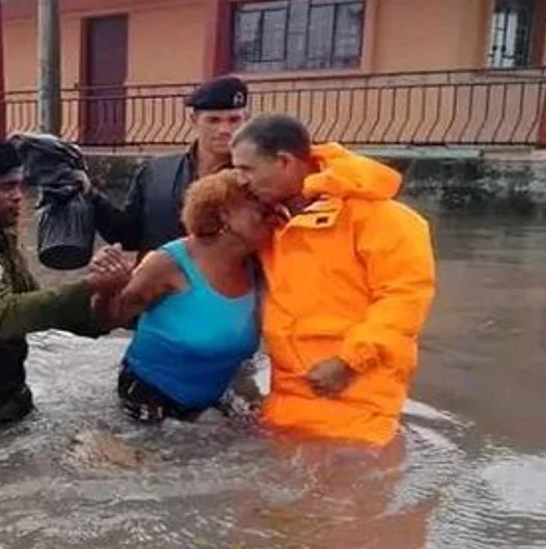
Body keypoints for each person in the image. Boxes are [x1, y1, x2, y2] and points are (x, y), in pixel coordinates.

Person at [230, 114, 436, 447]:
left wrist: (347, 363)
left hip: (355, 398)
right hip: (286, 398)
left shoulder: (385, 219)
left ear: (284, 162)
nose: (239, 180)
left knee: (350, 491)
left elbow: (404, 301)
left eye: (246, 169)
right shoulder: (270, 219)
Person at [0, 140, 131, 434]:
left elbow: (34, 302)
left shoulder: (0, 235)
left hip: (8, 394)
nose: (18, 197)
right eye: (6, 187)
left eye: (20, 186)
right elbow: (5, 318)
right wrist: (90, 284)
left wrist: (107, 309)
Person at [94, 170, 272, 423]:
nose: (274, 217)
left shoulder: (260, 269)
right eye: (263, 210)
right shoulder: (168, 263)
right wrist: (107, 288)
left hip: (215, 403)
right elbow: (109, 319)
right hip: (150, 399)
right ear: (225, 214)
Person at [86, 75, 250, 254]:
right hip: (158, 280)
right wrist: (90, 195)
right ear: (194, 120)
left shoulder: (256, 178)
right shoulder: (156, 171)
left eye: (234, 120)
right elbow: (128, 236)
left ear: (246, 120)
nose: (224, 130)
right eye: (213, 120)